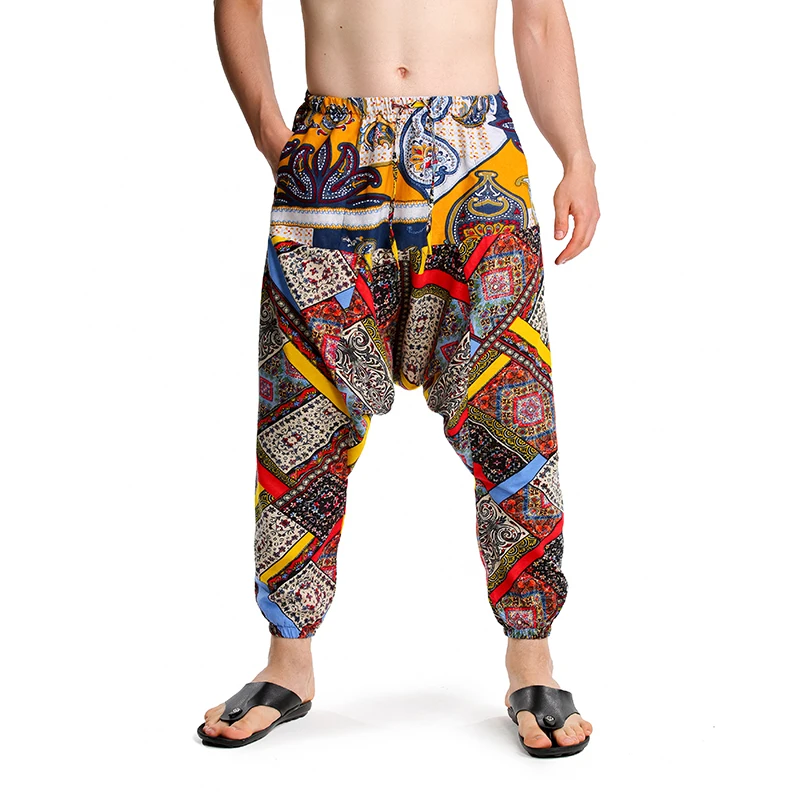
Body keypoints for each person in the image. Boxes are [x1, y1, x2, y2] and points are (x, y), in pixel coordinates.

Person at [199, 0, 599, 757]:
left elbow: (540, 18)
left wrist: (575, 156)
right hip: (331, 154)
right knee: (302, 416)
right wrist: (270, 133)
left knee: (512, 415)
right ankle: (288, 662)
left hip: (476, 157)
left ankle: (532, 662)